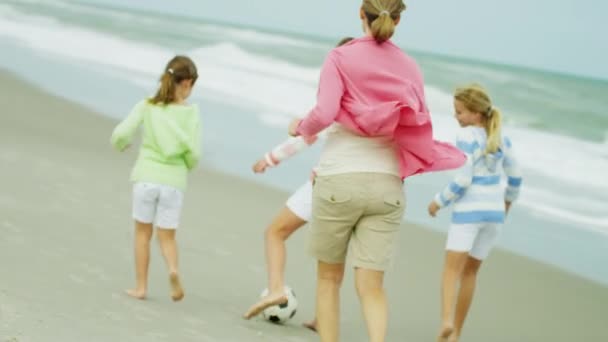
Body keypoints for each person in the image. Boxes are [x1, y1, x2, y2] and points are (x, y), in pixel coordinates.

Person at [287, 1, 465, 341]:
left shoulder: (340, 57)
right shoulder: (411, 67)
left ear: (360, 13)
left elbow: (324, 113)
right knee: (372, 287)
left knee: (328, 280)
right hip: (387, 186)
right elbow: (419, 124)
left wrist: (300, 127)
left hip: (340, 178)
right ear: (397, 19)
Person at [243, 39, 356, 333]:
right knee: (333, 259)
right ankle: (323, 318)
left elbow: (304, 138)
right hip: (354, 189)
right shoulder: (371, 106)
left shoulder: (334, 103)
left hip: (323, 184)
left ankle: (277, 288)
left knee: (275, 232)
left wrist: (270, 158)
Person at [427, 84, 522, 342]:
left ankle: (446, 322)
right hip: (494, 215)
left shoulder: (466, 137)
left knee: (451, 271)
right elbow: (516, 179)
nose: (456, 117)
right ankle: (456, 333)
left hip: (469, 213)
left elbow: (463, 179)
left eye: (459, 112)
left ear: (475, 114)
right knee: (470, 273)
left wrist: (438, 201)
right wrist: (506, 206)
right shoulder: (503, 138)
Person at [110, 55, 201, 302]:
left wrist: (122, 145)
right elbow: (194, 153)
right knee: (168, 236)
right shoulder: (191, 114)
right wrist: (186, 165)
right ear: (188, 83)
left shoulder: (148, 106)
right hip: (173, 182)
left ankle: (140, 287)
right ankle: (172, 269)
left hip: (146, 177)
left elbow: (121, 133)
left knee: (142, 233)